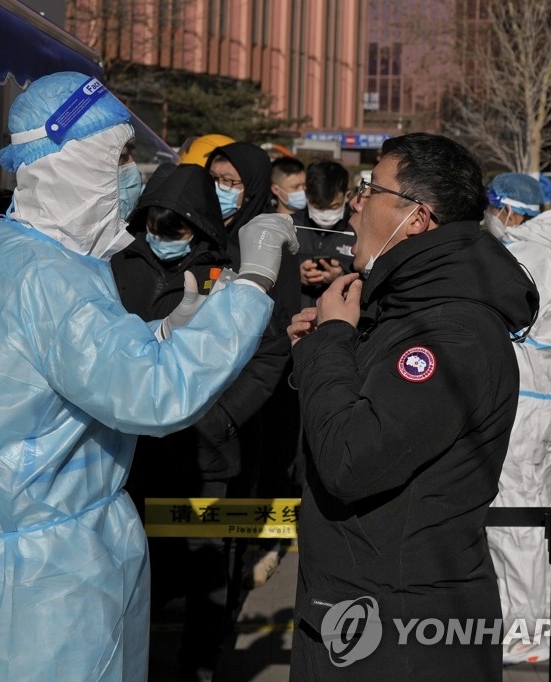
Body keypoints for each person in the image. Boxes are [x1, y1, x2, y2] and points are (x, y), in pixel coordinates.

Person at [0, 71, 298, 682]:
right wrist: (251, 285)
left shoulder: (1, 256)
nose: (132, 173)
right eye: (119, 156)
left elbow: (0, 375)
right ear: (71, 162)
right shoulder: (51, 280)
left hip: (19, 566)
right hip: (47, 585)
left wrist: (165, 333)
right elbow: (154, 394)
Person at [286, 133, 538, 681]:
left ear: (417, 218)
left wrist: (332, 342)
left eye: (371, 189)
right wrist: (326, 349)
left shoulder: (451, 331)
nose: (355, 204)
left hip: (398, 635)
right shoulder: (407, 308)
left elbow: (351, 458)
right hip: (358, 616)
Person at [109, 163, 236, 680]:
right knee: (135, 569)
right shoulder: (117, 265)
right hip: (131, 449)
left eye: (174, 229)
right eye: (154, 225)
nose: (160, 238)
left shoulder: (224, 275)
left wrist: (219, 415)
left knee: (206, 570)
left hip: (201, 451)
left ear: (200, 227)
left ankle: (199, 668)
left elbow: (264, 355)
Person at [485, 173, 551, 665]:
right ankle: (539, 621)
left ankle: (525, 636)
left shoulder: (517, 260)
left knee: (514, 525)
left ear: (507, 210)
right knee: (541, 515)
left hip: (520, 408)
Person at [206, 142, 302, 598]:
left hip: (245, 405)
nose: (220, 191)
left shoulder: (270, 241)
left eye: (232, 183)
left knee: (240, 499)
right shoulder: (196, 234)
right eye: (214, 179)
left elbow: (275, 329)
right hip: (192, 406)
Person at [293, 160, 354, 309]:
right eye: (318, 206)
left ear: (347, 195)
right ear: (306, 194)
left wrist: (342, 277)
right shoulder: (289, 226)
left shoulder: (359, 230)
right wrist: (293, 275)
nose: (325, 214)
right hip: (293, 317)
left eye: (333, 206)